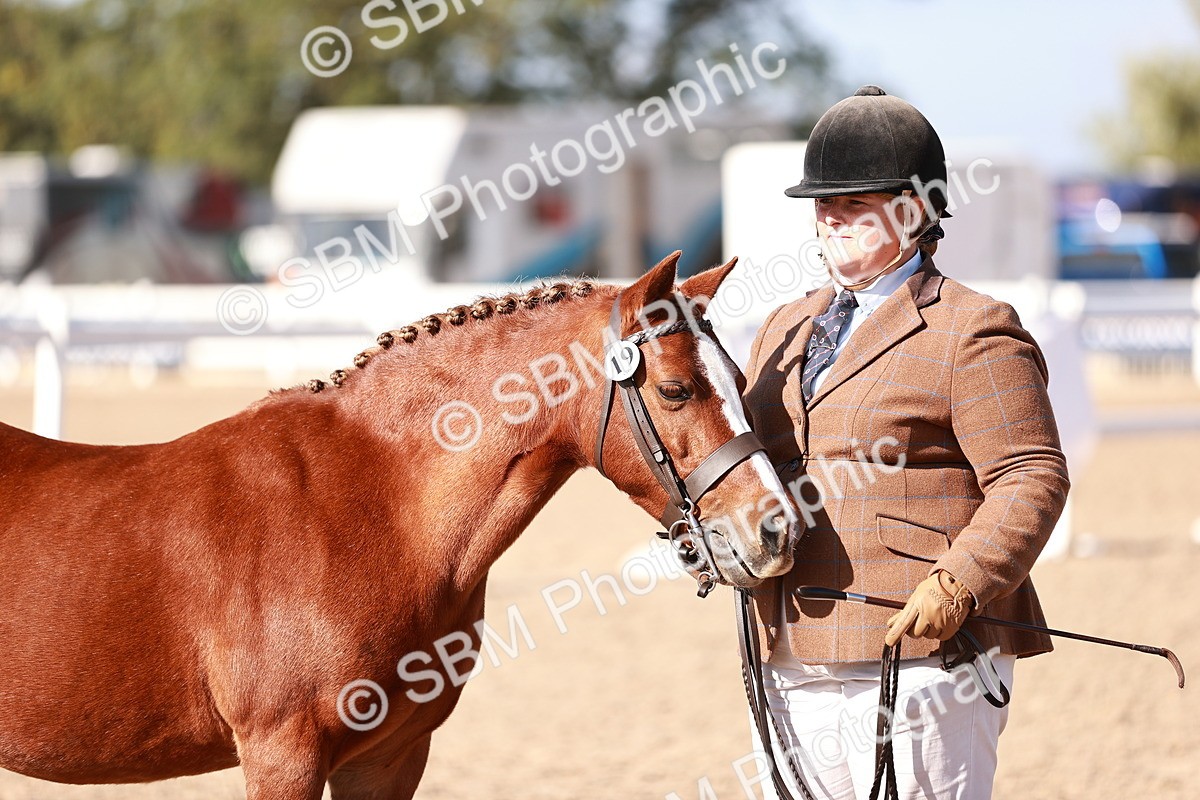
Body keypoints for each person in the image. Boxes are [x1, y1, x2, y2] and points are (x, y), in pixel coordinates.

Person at [741, 85, 1070, 800]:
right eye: (824, 203)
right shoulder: (780, 329)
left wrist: (963, 581)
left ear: (915, 210)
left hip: (924, 654)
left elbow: (1031, 475)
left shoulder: (972, 329)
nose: (830, 217)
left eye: (853, 202)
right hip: (787, 648)